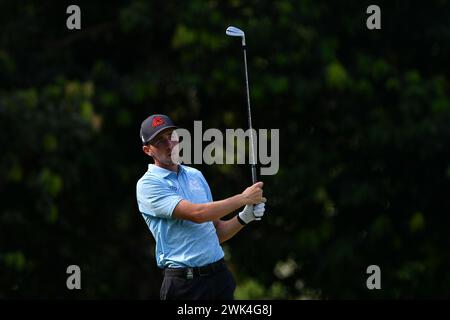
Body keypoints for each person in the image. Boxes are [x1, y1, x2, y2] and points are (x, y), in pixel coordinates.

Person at [136, 114, 267, 300]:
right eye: (159, 141)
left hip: (219, 278)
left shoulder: (195, 175)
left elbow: (217, 232)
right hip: (185, 287)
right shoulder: (148, 185)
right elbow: (197, 214)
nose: (169, 145)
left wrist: (244, 217)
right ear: (148, 150)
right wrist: (243, 198)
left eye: (171, 136)